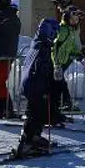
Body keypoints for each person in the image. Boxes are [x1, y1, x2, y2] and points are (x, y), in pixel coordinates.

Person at [15, 18, 59, 158]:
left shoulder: (37, 42)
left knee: (37, 112)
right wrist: (47, 85)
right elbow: (41, 69)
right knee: (35, 114)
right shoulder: (43, 47)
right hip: (36, 84)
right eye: (55, 32)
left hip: (31, 83)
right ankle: (27, 143)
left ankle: (34, 137)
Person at [52, 5, 84, 115]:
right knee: (58, 82)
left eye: (76, 20)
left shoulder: (71, 30)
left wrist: (77, 53)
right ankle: (62, 103)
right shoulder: (63, 30)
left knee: (59, 82)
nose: (75, 21)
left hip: (64, 60)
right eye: (72, 19)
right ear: (66, 18)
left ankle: (62, 103)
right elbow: (54, 47)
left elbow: (72, 45)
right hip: (57, 61)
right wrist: (56, 63)